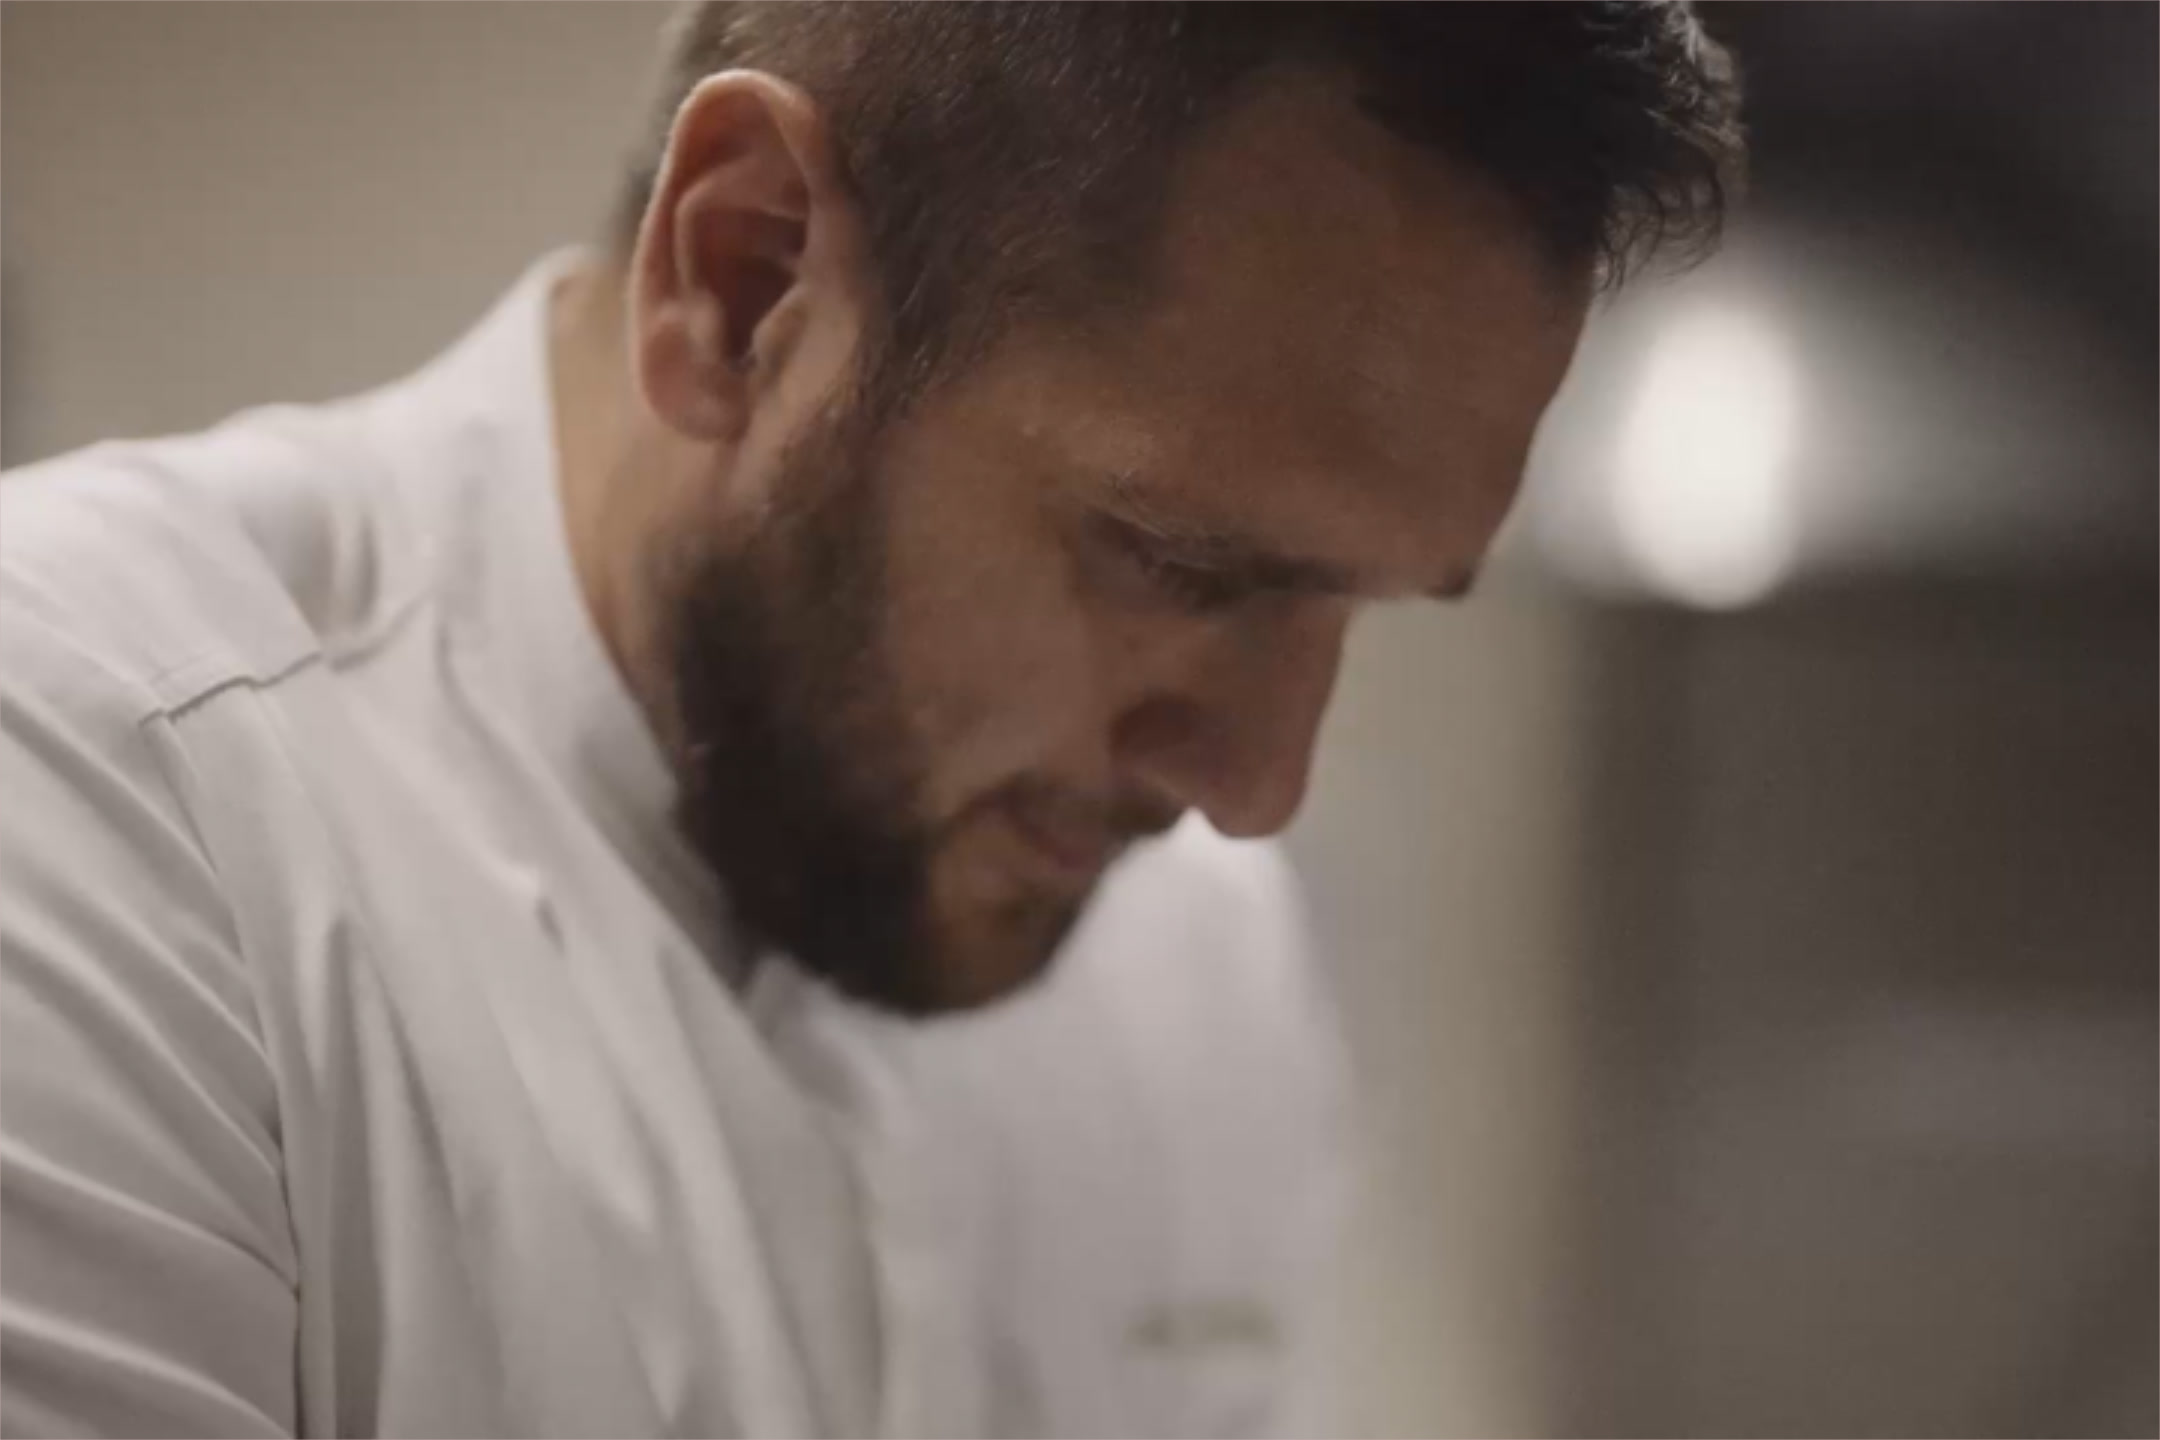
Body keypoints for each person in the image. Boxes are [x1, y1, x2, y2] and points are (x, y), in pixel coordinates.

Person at [0, 4, 1743, 1435]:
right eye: (1181, 565)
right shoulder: (101, 789)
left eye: (1361, 602)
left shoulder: (1201, 964)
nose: (1256, 788)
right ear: (747, 280)